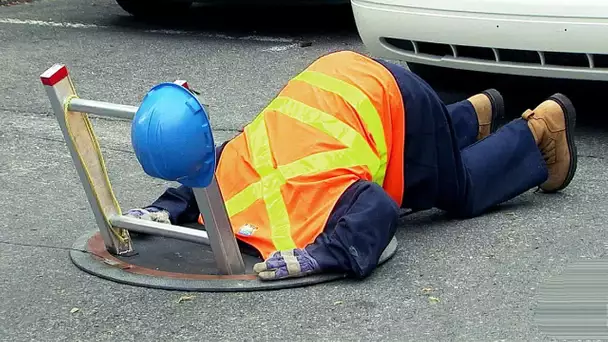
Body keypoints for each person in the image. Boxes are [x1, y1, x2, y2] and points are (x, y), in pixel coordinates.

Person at [126, 50, 577, 281]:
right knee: (426, 165)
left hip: (395, 100)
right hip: (339, 79)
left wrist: (325, 254)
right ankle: (469, 116)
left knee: (459, 191)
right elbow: (194, 183)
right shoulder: (226, 161)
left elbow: (378, 210)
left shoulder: (314, 195)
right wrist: (165, 207)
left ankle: (539, 132)